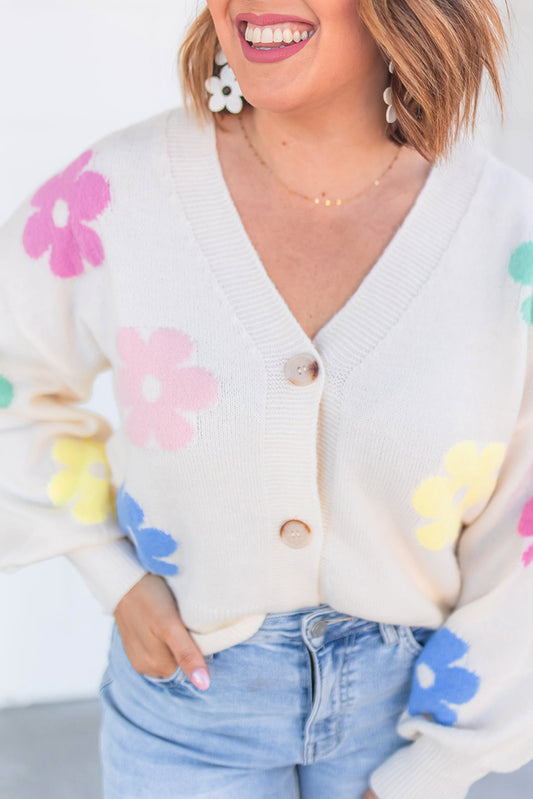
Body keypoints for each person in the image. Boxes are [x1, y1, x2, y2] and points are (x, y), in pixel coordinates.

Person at [1, 0, 532, 797]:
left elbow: (521, 530)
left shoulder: (504, 236)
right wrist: (111, 574)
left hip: (415, 718)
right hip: (187, 711)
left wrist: (433, 770)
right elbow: (15, 376)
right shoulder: (115, 193)